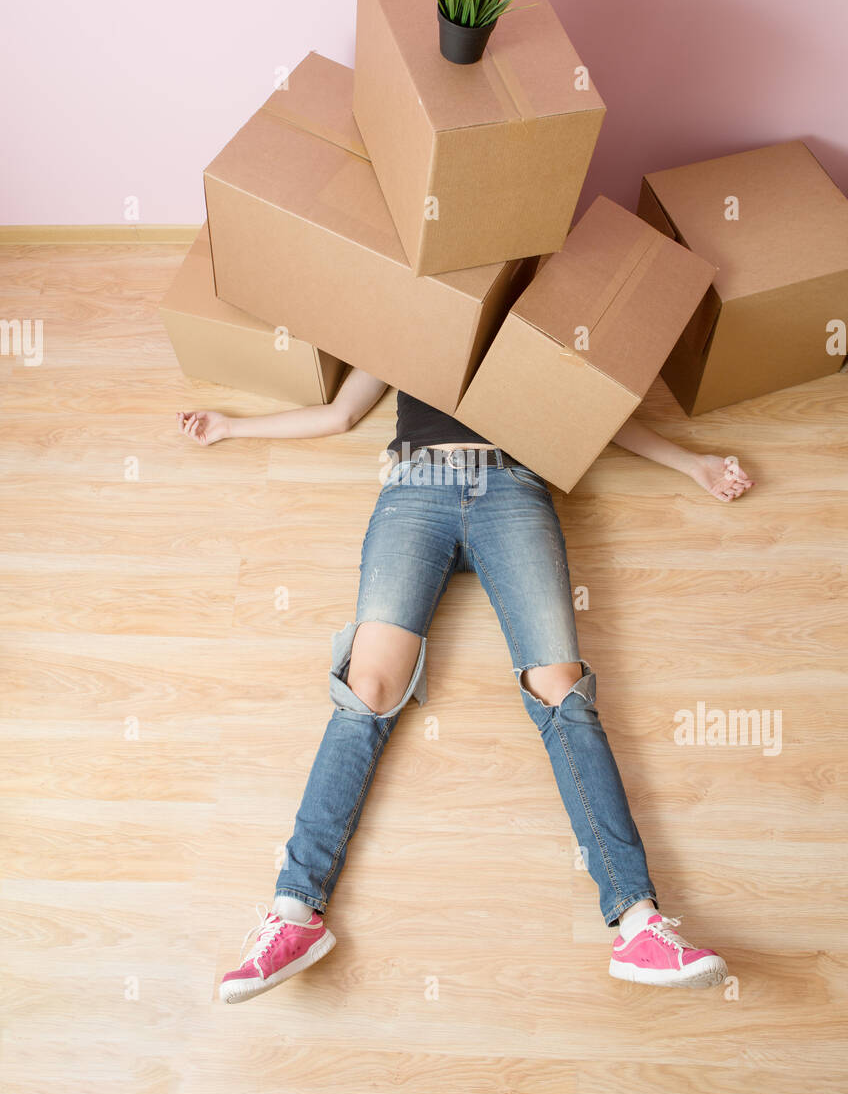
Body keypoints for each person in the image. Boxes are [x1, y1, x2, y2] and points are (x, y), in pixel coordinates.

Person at [177, 370, 753, 1004]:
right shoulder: (405, 317)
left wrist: (690, 463)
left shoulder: (537, 324)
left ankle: (640, 924)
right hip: (414, 490)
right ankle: (293, 915)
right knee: (365, 688)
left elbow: (596, 413)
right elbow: (340, 413)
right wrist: (231, 425)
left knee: (563, 691)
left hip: (513, 486)